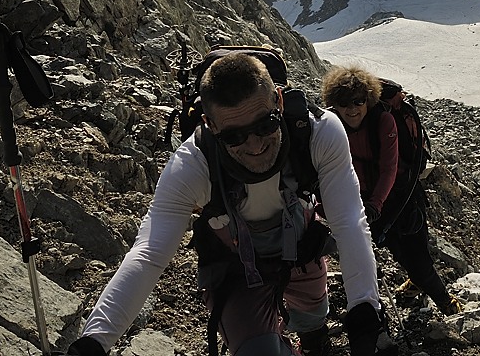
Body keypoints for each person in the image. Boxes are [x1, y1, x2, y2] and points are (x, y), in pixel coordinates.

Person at [67, 53, 382, 356]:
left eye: (265, 125)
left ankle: (313, 341)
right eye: (234, 136)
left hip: (300, 251)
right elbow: (149, 255)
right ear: (210, 125)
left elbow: (348, 220)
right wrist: (96, 340)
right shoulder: (192, 165)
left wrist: (364, 306)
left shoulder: (318, 132)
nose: (255, 145)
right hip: (238, 269)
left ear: (279, 101)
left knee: (313, 320)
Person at [320, 66, 461, 316]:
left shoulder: (383, 120)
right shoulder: (332, 126)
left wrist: (375, 205)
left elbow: (390, 169)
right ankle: (417, 284)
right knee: (398, 251)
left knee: (419, 260)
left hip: (401, 198)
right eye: (344, 103)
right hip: (368, 203)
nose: (352, 109)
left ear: (368, 100)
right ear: (334, 104)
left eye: (358, 101)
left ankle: (446, 303)